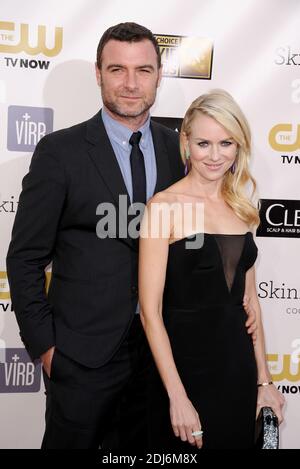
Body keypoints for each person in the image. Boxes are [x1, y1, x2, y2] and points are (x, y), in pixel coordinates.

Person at [6, 22, 256, 449]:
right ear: (98, 73)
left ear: (159, 75)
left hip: (164, 362)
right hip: (84, 357)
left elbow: (208, 235)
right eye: (117, 69)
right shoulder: (60, 152)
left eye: (143, 70)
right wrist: (48, 350)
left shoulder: (180, 149)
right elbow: (25, 259)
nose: (130, 83)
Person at [139, 89, 285, 450]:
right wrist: (177, 396)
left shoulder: (241, 208)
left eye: (226, 143)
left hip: (236, 371)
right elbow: (150, 314)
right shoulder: (163, 207)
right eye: (204, 143)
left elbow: (250, 302)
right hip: (181, 371)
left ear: (239, 146)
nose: (215, 155)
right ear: (185, 142)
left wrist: (264, 381)